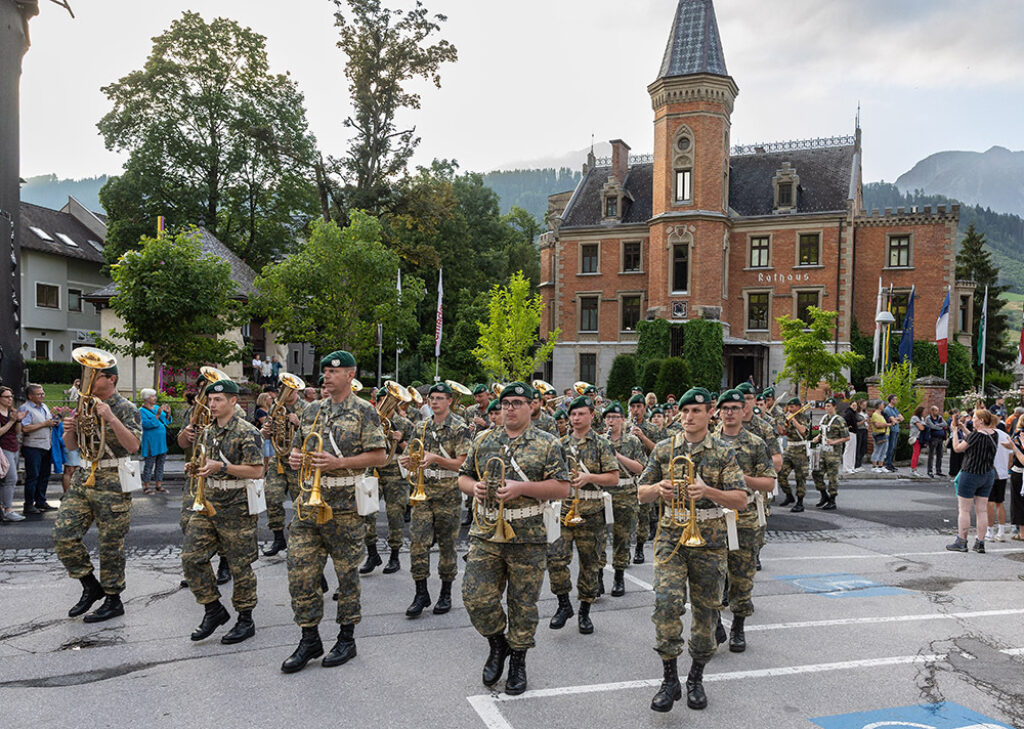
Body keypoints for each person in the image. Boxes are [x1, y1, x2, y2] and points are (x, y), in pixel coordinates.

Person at [637, 387, 750, 714]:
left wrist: (710, 491)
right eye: (684, 411)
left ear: (709, 413)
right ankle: (669, 678)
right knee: (666, 604)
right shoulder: (663, 449)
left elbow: (741, 498)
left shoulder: (723, 452)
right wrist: (657, 488)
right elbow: (640, 491)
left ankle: (696, 678)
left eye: (696, 411)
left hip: (710, 541)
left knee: (706, 612)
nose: (688, 417)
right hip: (672, 538)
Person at [458, 382, 569, 695]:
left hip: (528, 535)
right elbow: (464, 476)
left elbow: (562, 487)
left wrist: (522, 488)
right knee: (475, 596)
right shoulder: (483, 440)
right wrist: (473, 488)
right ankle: (498, 644)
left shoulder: (547, 443)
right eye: (505, 402)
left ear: (531, 406)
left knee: (523, 605)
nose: (509, 408)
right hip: (487, 531)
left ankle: (518, 660)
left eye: (517, 402)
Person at [281, 350, 386, 674]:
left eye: (334, 371)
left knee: (346, 576)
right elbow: (299, 445)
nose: (327, 376)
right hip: (309, 505)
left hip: (345, 508)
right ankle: (309, 636)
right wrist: (296, 457)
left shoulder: (365, 411)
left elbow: (379, 456)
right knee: (300, 573)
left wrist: (340, 462)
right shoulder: (311, 409)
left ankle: (346, 637)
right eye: (325, 371)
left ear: (350, 375)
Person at [54, 361, 141, 622]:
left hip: (113, 480)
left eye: (96, 375)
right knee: (63, 535)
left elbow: (134, 445)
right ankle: (90, 585)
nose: (88, 380)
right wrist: (70, 431)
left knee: (110, 544)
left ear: (111, 380)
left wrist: (111, 418)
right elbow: (72, 445)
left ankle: (114, 599)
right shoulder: (86, 404)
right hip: (84, 476)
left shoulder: (126, 408)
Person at [179, 379, 265, 644]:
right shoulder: (207, 431)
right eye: (210, 400)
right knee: (191, 557)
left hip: (237, 506)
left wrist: (222, 467)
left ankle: (245, 619)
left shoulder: (247, 431)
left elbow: (257, 470)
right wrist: (195, 468)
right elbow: (203, 461)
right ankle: (213, 609)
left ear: (233, 401)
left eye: (218, 400)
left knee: (240, 565)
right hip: (208, 502)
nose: (212, 405)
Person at [547, 394, 619, 632]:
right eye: (573, 414)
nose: (576, 418)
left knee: (590, 565)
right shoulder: (559, 444)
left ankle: (585, 613)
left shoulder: (601, 444)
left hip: (592, 512)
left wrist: (589, 477)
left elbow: (613, 478)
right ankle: (564, 604)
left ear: (591, 415)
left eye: (581, 414)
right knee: (555, 559)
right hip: (565, 510)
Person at [399, 382, 470, 617]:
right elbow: (412, 453)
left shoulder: (459, 427)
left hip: (448, 493)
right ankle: (421, 593)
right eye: (432, 398)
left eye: (440, 398)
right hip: (423, 492)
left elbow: (462, 463)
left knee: (447, 545)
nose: (434, 402)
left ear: (449, 400)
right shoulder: (420, 426)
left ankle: (446, 592)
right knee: (417, 543)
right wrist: (408, 461)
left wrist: (436, 458)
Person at [712, 389, 775, 652]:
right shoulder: (706, 441)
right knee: (710, 574)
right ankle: (714, 621)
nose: (729, 412)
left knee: (741, 576)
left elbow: (769, 482)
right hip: (712, 516)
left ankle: (738, 626)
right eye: (725, 408)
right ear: (719, 411)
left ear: (743, 410)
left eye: (734, 408)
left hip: (745, 517)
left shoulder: (755, 443)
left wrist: (741, 478)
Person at [595, 402, 644, 598]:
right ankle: (598, 577)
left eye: (615, 418)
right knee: (598, 537)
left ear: (623, 420)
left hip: (625, 493)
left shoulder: (632, 441)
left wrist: (616, 455)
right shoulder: (598, 440)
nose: (611, 421)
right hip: (602, 493)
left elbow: (640, 468)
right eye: (608, 418)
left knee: (621, 538)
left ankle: (619, 576)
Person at [362, 386, 412, 574]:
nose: (384, 404)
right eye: (381, 400)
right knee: (367, 512)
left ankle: (395, 556)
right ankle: (372, 552)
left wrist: (400, 441)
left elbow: (412, 453)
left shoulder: (404, 423)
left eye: (387, 400)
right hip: (373, 471)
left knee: (395, 515)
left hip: (394, 473)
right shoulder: (369, 420)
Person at [946, 409, 1002, 553]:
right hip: (987, 474)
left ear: (981, 421)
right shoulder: (994, 434)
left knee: (964, 510)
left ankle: (962, 541)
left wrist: (954, 432)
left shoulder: (976, 435)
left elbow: (958, 448)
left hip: (971, 473)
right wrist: (963, 427)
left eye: (975, 418)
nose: (972, 420)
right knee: (981, 510)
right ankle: (980, 542)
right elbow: (975, 439)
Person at [261, 384, 306, 558]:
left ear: (296, 391)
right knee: (271, 496)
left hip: (298, 463)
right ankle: (278, 538)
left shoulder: (307, 408)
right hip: (278, 460)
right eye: (284, 389)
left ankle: (299, 541)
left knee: (300, 505)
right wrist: (266, 430)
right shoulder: (275, 407)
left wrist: (298, 423)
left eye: (290, 390)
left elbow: (316, 434)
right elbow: (267, 430)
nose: (286, 393)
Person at [20, 383, 58, 514]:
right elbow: (25, 428)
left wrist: (52, 422)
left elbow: (47, 422)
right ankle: (29, 504)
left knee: (44, 475)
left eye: (43, 393)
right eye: (39, 394)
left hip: (46, 446)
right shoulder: (25, 409)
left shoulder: (44, 407)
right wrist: (44, 424)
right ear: (30, 396)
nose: (43, 395)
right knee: (33, 476)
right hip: (33, 446)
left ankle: (41, 501)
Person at [810, 398, 850, 510]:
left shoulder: (840, 420)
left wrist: (834, 442)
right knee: (816, 473)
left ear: (834, 407)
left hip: (834, 453)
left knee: (832, 477)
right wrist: (817, 438)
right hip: (823, 452)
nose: (827, 408)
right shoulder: (824, 419)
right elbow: (822, 433)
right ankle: (824, 495)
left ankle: (832, 500)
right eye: (826, 406)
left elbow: (846, 437)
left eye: (829, 406)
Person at [777, 397, 810, 512]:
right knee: (780, 474)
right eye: (789, 407)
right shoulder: (786, 417)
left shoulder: (804, 418)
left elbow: (803, 431)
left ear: (798, 407)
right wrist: (781, 421)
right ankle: (789, 495)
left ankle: (800, 502)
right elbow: (781, 432)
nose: (790, 409)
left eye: (792, 407)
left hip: (800, 449)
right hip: (789, 448)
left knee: (800, 477)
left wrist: (794, 420)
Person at [139, 388, 172, 494]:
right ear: (146, 398)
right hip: (150, 442)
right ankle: (147, 486)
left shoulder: (157, 407)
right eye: (152, 396)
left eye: (154, 396)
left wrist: (168, 413)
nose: (155, 398)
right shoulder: (141, 411)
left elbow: (167, 421)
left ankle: (159, 485)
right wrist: (157, 415)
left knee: (160, 464)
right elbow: (146, 425)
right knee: (149, 464)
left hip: (161, 442)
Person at [0, 386, 25, 522]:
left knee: (6, 480)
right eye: (7, 397)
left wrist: (18, 421)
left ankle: (4, 508)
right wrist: (11, 421)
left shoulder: (11, 412)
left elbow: (17, 431)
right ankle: (8, 509)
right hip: (2, 448)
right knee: (11, 479)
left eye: (11, 397)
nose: (10, 399)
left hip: (13, 447)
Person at [986, 423, 1013, 542]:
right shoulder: (1007, 436)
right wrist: (1006, 469)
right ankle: (1001, 531)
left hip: (991, 471)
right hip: (1002, 473)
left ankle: (990, 531)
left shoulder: (990, 435)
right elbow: (1011, 458)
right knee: (1000, 503)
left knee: (989, 503)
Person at [925, 406, 948, 477]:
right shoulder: (928, 418)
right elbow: (932, 426)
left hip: (940, 438)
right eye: (936, 411)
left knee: (940, 455)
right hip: (933, 438)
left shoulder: (940, 417)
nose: (937, 412)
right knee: (931, 455)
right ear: (932, 411)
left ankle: (938, 470)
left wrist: (937, 425)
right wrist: (940, 427)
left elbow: (945, 424)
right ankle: (930, 471)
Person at [883, 395, 903, 472]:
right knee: (890, 447)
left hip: (896, 429)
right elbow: (894, 421)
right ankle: (888, 464)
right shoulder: (887, 409)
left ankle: (890, 463)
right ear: (891, 400)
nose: (897, 400)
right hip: (891, 430)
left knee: (893, 447)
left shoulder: (895, 409)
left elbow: (902, 418)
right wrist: (896, 419)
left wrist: (896, 419)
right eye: (895, 399)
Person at [869, 400, 890, 473]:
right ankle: (874, 466)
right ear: (878, 406)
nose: (884, 406)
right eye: (882, 405)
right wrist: (887, 425)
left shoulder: (881, 414)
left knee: (883, 451)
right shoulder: (875, 414)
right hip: (879, 434)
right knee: (877, 450)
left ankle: (880, 466)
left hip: (885, 434)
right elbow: (877, 425)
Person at [908, 405, 927, 478]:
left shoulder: (921, 418)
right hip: (915, 437)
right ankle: (913, 469)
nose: (924, 413)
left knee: (917, 453)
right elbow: (922, 428)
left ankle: (914, 469)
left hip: (920, 438)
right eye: (923, 411)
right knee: (915, 453)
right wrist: (923, 425)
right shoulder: (915, 418)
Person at [842, 400, 859, 474]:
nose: (855, 407)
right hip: (850, 433)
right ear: (850, 405)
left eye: (856, 406)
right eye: (853, 405)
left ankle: (851, 466)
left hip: (854, 433)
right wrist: (849, 427)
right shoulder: (849, 413)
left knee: (852, 450)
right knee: (848, 450)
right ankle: (846, 467)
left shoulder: (853, 413)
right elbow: (844, 421)